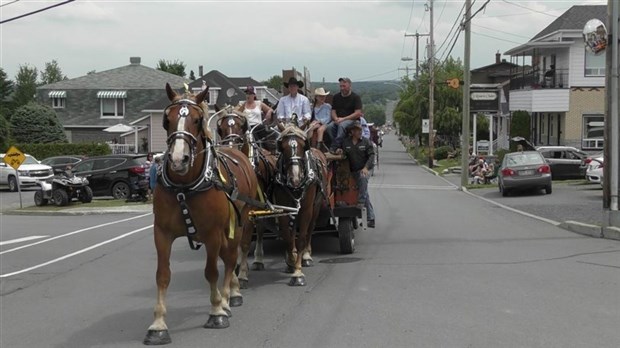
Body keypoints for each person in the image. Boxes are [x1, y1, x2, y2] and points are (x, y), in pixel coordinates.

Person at [335, 120, 376, 228]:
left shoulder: (366, 142)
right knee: (364, 190)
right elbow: (343, 153)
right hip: (353, 170)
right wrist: (339, 151)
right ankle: (370, 218)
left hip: (366, 168)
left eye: (360, 130)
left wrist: (366, 168)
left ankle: (360, 202)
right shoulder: (346, 143)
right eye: (357, 130)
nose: (360, 132)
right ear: (352, 132)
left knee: (363, 179)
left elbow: (372, 156)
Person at [328, 77, 363, 153]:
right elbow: (333, 111)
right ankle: (338, 144)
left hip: (352, 120)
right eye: (341, 86)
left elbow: (357, 113)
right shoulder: (336, 97)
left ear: (350, 86)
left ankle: (335, 147)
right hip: (339, 119)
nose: (342, 88)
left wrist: (343, 119)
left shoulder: (356, 97)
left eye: (344, 86)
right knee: (329, 127)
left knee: (342, 125)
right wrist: (336, 118)